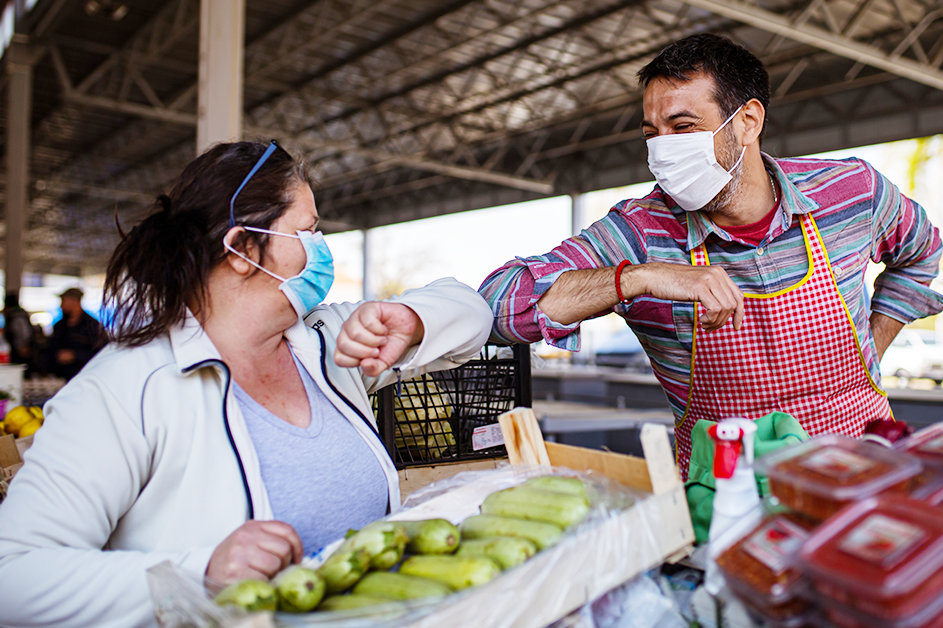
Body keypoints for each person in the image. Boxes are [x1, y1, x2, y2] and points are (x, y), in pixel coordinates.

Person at [0, 141, 494, 627]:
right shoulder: (128, 387)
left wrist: (410, 318)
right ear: (240, 249)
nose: (321, 250)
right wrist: (201, 572)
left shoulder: (327, 342)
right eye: (308, 231)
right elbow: (14, 575)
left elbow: (470, 309)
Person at [480, 34, 943, 479]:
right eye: (652, 133)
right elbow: (498, 307)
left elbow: (923, 251)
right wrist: (640, 277)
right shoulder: (639, 234)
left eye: (683, 128)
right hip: (723, 503)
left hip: (860, 475)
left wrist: (873, 354)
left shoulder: (851, 193)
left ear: (748, 122)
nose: (662, 150)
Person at [49, 287, 105, 380]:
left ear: (75, 302)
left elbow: (100, 353)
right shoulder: (60, 326)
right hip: (60, 378)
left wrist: (75, 356)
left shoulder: (92, 326)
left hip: (84, 377)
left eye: (64, 301)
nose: (61, 306)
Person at [3, 292, 36, 375]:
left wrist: (22, 346)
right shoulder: (17, 314)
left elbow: (24, 332)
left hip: (20, 351)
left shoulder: (17, 315)